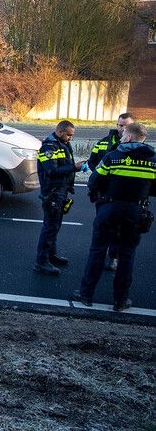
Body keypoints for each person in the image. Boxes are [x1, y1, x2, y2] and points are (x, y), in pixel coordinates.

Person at [74, 123, 156, 311]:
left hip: (109, 208)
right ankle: (120, 301)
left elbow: (94, 181)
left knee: (97, 251)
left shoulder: (113, 156)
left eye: (123, 135)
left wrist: (103, 195)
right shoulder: (153, 160)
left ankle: (86, 295)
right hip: (136, 211)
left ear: (128, 138)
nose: (120, 138)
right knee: (127, 255)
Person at [35, 120, 85, 275]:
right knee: (50, 228)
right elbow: (51, 171)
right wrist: (74, 167)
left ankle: (51, 255)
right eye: (69, 135)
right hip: (52, 193)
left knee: (55, 226)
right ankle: (41, 262)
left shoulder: (62, 144)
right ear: (61, 131)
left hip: (60, 191)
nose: (70, 138)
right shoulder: (48, 148)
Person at [87, 112, 136, 271]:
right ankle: (97, 258)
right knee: (101, 227)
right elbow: (92, 161)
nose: (122, 128)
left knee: (119, 229)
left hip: (123, 196)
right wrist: (101, 176)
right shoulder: (103, 143)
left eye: (126, 125)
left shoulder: (137, 147)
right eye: (119, 125)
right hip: (104, 194)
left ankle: (113, 257)